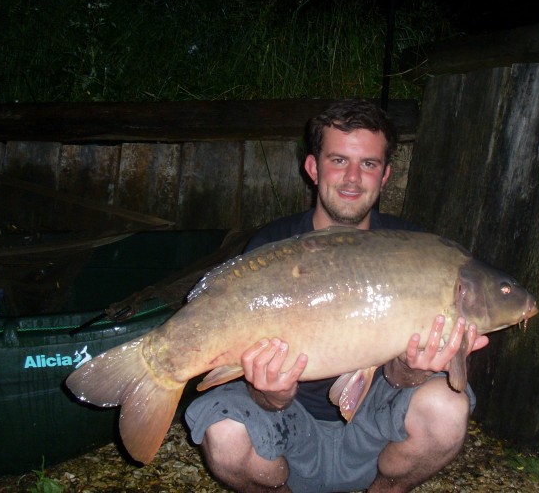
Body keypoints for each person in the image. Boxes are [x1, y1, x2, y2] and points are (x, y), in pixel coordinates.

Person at [184, 99, 489, 492]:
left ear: (385, 175)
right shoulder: (272, 245)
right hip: (290, 433)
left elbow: (399, 376)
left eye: (368, 164)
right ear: (313, 168)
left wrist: (415, 369)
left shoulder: (412, 251)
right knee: (225, 435)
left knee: (448, 406)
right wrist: (272, 393)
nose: (352, 178)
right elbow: (260, 394)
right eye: (339, 160)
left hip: (373, 434)